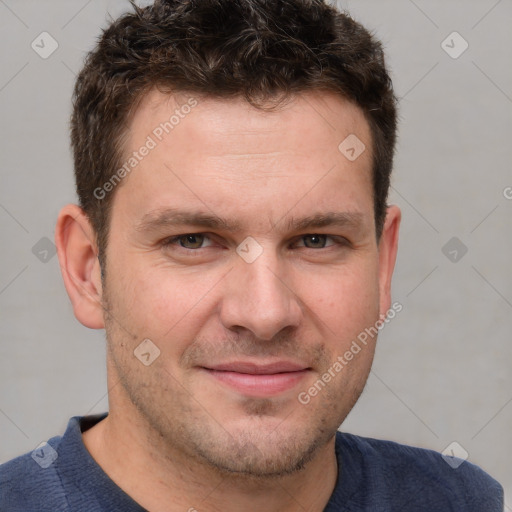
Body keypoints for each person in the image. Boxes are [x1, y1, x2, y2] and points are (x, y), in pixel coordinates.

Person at [0, 0, 504, 510]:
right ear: (88, 271)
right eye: (193, 240)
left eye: (316, 241)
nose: (265, 314)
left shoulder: (465, 501)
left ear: (382, 266)